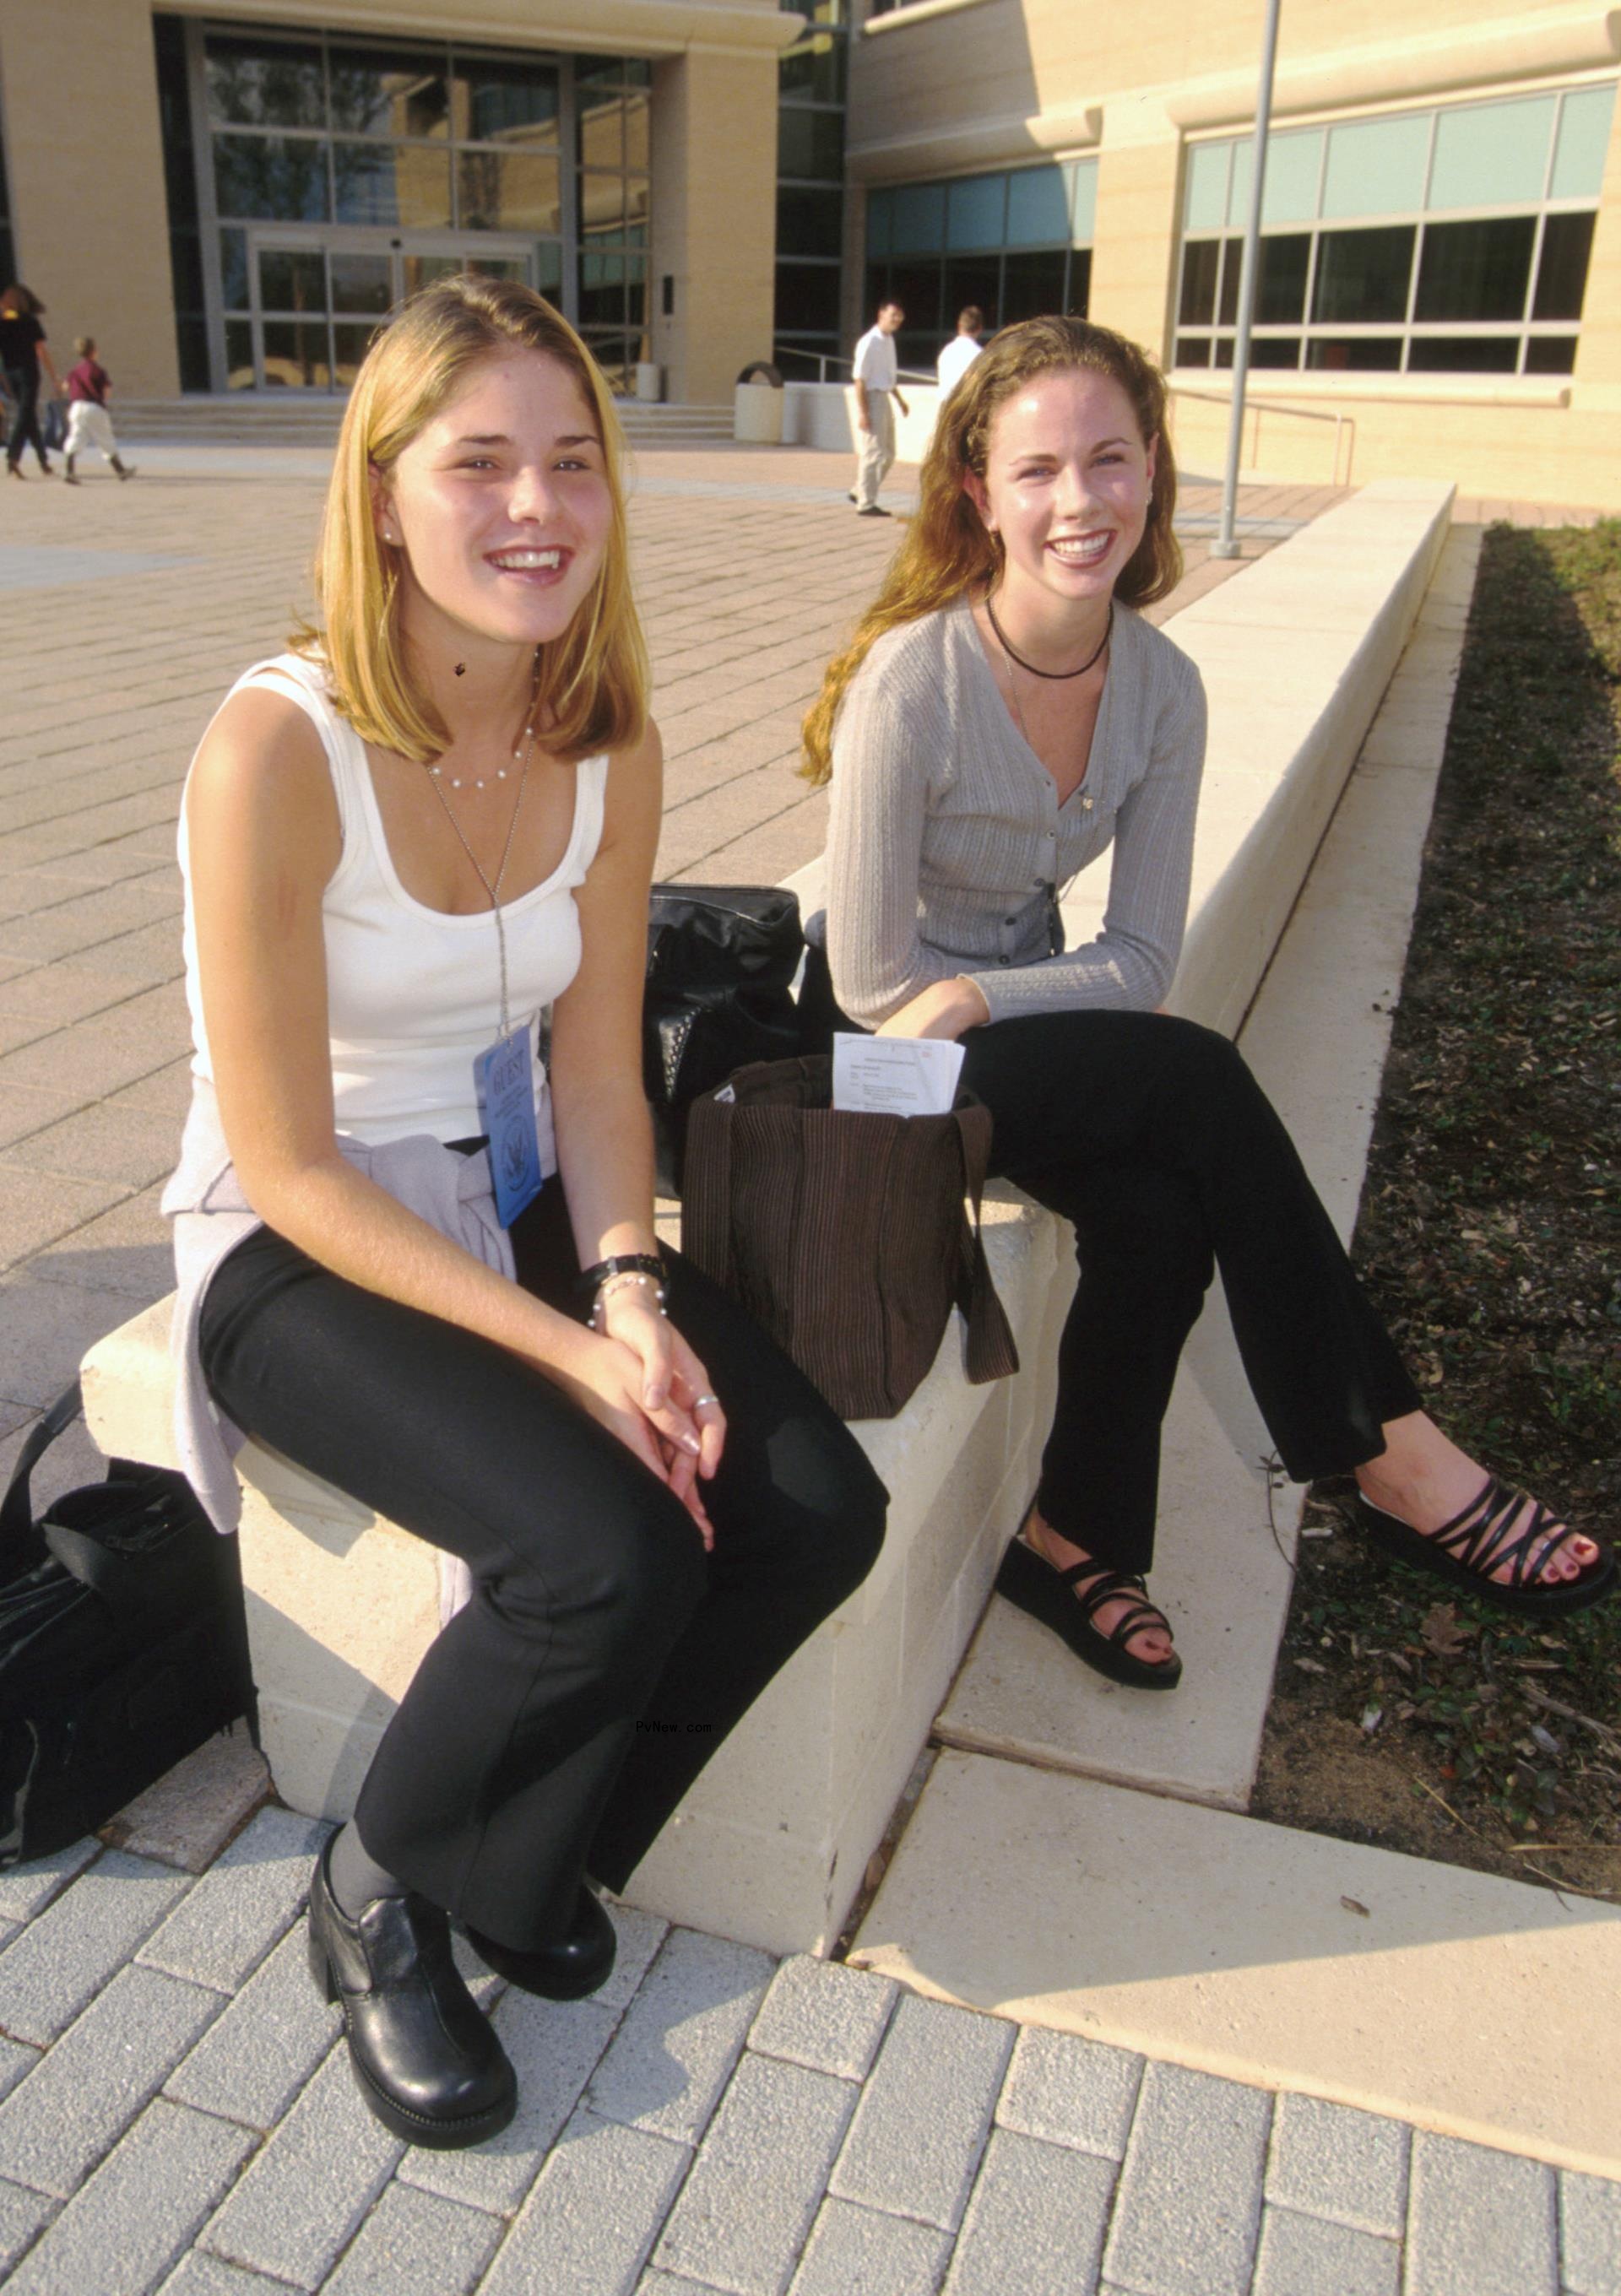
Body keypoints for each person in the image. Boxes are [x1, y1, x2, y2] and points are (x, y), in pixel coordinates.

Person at [164, 276, 885, 2148]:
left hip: (532, 1191)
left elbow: (592, 1072)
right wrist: (570, 1350)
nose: (537, 506)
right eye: (478, 461)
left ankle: (535, 1851)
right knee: (603, 1550)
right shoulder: (276, 747)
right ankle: (385, 1886)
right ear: (382, 490)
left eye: (572, 460)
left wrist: (633, 1286)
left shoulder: (606, 736)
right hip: (295, 1239)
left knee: (812, 1511)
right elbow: (297, 1162)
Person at [801, 313, 1612, 1694]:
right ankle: (1387, 1449)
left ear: (1154, 471)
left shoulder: (1162, 689)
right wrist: (973, 1006)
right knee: (1192, 1076)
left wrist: (984, 994)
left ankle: (1075, 1539)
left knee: (1165, 1212)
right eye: (1040, 469)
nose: (1080, 500)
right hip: (871, 1066)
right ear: (978, 495)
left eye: (1109, 459)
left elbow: (1138, 957)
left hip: (1000, 1036)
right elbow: (883, 985)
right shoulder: (914, 683)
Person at [849, 300, 908, 518]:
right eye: (893, 315)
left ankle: (860, 490)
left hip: (884, 398)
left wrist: (900, 400)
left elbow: (888, 377)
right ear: (881, 314)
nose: (897, 320)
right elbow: (860, 380)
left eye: (900, 316)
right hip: (872, 399)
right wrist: (864, 413)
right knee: (872, 453)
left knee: (888, 453)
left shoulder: (888, 341)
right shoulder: (869, 342)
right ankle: (865, 503)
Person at [1, 284, 61, 479]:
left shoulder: (3, 321)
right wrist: (54, 377)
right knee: (25, 414)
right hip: (28, 373)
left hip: (10, 374)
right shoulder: (30, 321)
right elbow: (41, 351)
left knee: (28, 416)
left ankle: (43, 461)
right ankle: (13, 456)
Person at [62, 337, 135, 484]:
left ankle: (69, 471)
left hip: (76, 407)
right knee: (105, 439)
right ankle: (120, 471)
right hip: (94, 407)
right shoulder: (98, 371)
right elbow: (107, 391)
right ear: (94, 351)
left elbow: (65, 387)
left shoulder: (74, 371)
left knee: (75, 438)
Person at [936, 306, 984, 401]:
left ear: (959, 325)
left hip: (945, 408)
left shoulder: (946, 352)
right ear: (980, 329)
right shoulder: (980, 355)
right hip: (965, 409)